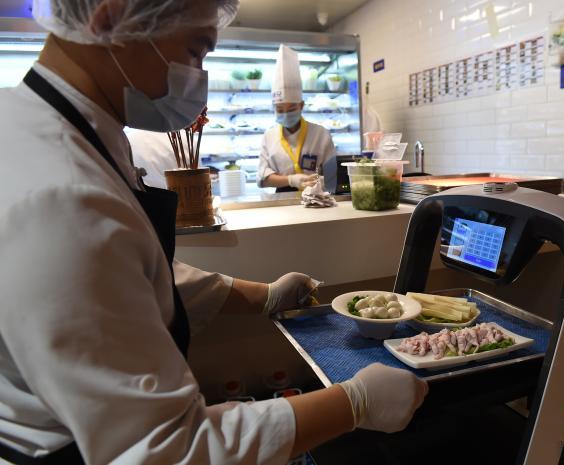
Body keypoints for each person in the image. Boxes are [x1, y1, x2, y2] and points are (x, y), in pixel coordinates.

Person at [0, 1, 428, 464]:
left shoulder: (58, 128)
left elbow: (127, 276)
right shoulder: (62, 195)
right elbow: (166, 451)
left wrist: (263, 295)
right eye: (197, 50)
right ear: (110, 18)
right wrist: (353, 404)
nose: (198, 77)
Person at [257, 45, 336, 192]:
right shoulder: (269, 137)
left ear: (301, 105)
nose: (286, 114)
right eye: (280, 109)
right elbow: (262, 179)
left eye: (291, 109)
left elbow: (333, 176)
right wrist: (291, 180)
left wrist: (319, 181)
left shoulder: (321, 135)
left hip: (318, 197)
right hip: (282, 201)